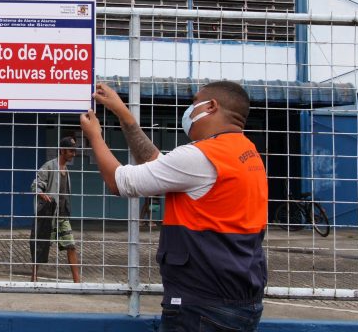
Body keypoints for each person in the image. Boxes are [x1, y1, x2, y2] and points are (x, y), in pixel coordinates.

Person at [79, 81, 267, 331]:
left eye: (193, 103)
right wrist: (123, 114)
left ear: (211, 106)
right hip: (239, 301)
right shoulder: (245, 152)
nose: (188, 111)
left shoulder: (203, 156)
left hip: (202, 305)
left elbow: (120, 182)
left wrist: (95, 137)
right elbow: (160, 163)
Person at [29, 136, 81, 283]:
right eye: (71, 151)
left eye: (74, 151)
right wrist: (41, 194)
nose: (73, 154)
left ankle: (77, 281)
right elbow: (36, 184)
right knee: (42, 245)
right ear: (62, 151)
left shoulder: (66, 169)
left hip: (63, 215)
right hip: (49, 215)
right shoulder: (49, 166)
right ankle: (34, 278)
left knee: (71, 246)